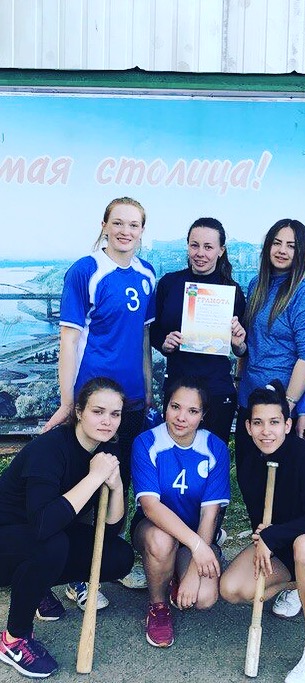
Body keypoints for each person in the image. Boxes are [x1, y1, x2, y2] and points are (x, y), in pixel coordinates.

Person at [43, 196, 155, 598]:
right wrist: (69, 402)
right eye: (118, 222)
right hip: (94, 404)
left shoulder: (147, 273)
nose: (126, 231)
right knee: (82, 486)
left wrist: (147, 390)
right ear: (105, 225)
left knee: (118, 484)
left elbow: (143, 338)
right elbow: (69, 341)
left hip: (131, 403)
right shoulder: (86, 270)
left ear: (142, 231)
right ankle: (72, 572)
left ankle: (106, 560)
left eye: (134, 224)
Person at [220, 382, 305, 683]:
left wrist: (273, 535)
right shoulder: (249, 464)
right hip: (284, 547)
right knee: (231, 588)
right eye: (258, 423)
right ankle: (302, 584)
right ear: (248, 427)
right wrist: (266, 537)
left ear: (287, 424)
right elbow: (261, 522)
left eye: (274, 422)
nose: (266, 431)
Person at [0, 378, 134, 679]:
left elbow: (109, 530)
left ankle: (35, 585)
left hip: (39, 537)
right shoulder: (49, 449)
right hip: (8, 540)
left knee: (118, 556)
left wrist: (115, 487)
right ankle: (13, 640)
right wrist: (93, 478)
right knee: (52, 544)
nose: (107, 421)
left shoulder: (107, 450)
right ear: (79, 412)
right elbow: (43, 523)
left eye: (115, 414)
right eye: (98, 411)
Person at [131, 377, 229, 648]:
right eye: (175, 407)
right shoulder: (147, 442)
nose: (181, 417)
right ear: (166, 406)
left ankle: (176, 570)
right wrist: (199, 547)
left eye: (193, 411)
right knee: (162, 541)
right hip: (154, 529)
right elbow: (150, 507)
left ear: (203, 415)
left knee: (204, 598)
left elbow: (210, 515)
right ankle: (158, 606)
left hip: (196, 533)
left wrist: (194, 571)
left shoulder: (215, 448)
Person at [151, 217, 247, 446]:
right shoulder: (169, 284)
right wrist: (164, 343)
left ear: (221, 250)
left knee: (213, 455)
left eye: (208, 247)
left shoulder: (232, 291)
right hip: (178, 387)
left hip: (217, 389)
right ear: (187, 246)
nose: (200, 253)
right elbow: (154, 332)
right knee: (174, 453)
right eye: (195, 245)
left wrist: (238, 343)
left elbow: (243, 349)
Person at [234, 218, 305, 458]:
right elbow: (251, 344)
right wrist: (238, 349)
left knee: (277, 477)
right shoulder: (256, 285)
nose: (282, 250)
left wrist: (288, 407)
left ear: (301, 252)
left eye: (291, 246)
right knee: (248, 472)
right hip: (249, 399)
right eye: (277, 243)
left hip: (279, 406)